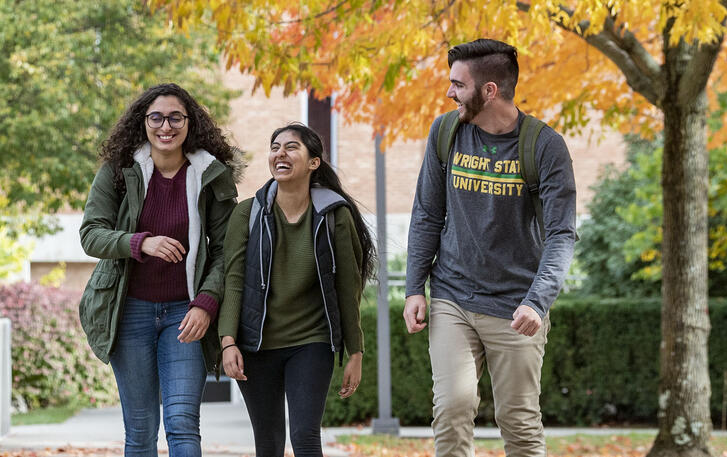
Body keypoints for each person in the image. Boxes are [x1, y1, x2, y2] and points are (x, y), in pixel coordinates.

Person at [403, 38, 578, 457]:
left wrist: (537, 302)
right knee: (452, 408)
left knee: (518, 421)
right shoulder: (446, 132)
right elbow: (427, 213)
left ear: (489, 90)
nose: (449, 93)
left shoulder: (543, 146)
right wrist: (414, 287)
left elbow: (561, 234)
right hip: (453, 297)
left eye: (458, 84)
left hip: (516, 306)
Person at [78, 82, 240, 457]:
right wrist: (139, 243)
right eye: (156, 117)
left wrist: (206, 302)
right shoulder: (119, 171)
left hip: (185, 313)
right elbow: (91, 234)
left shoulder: (210, 175)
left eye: (175, 118)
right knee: (140, 429)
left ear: (190, 123)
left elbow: (228, 252)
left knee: (182, 423)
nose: (165, 126)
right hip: (129, 309)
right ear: (143, 122)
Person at [218, 123, 375, 457]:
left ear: (313, 162)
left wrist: (355, 352)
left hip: (311, 342)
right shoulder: (248, 213)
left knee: (305, 437)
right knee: (269, 442)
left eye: (291, 147)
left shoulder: (334, 215)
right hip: (256, 344)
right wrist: (228, 341)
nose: (280, 154)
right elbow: (233, 281)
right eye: (275, 147)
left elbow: (347, 288)